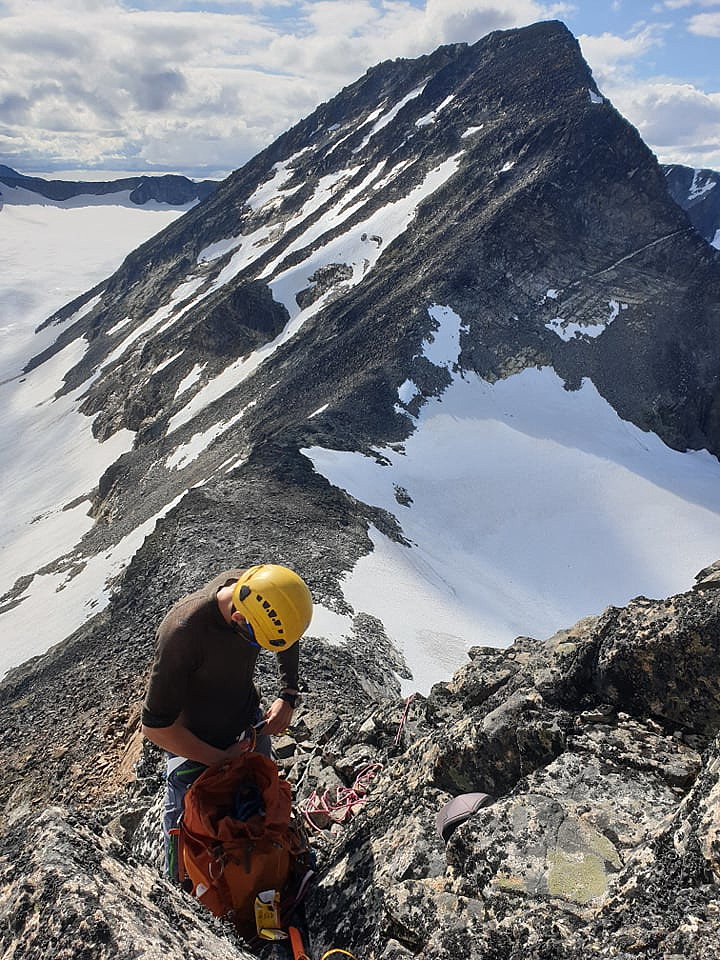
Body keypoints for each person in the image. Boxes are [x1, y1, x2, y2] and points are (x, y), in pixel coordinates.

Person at [141, 563, 313, 880]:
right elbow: (154, 727)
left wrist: (288, 693)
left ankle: (263, 878)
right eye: (257, 641)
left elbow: (285, 634)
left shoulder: (261, 590)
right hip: (194, 751)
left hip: (248, 729)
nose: (259, 647)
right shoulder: (183, 633)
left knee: (261, 817)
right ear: (238, 619)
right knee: (189, 846)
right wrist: (221, 759)